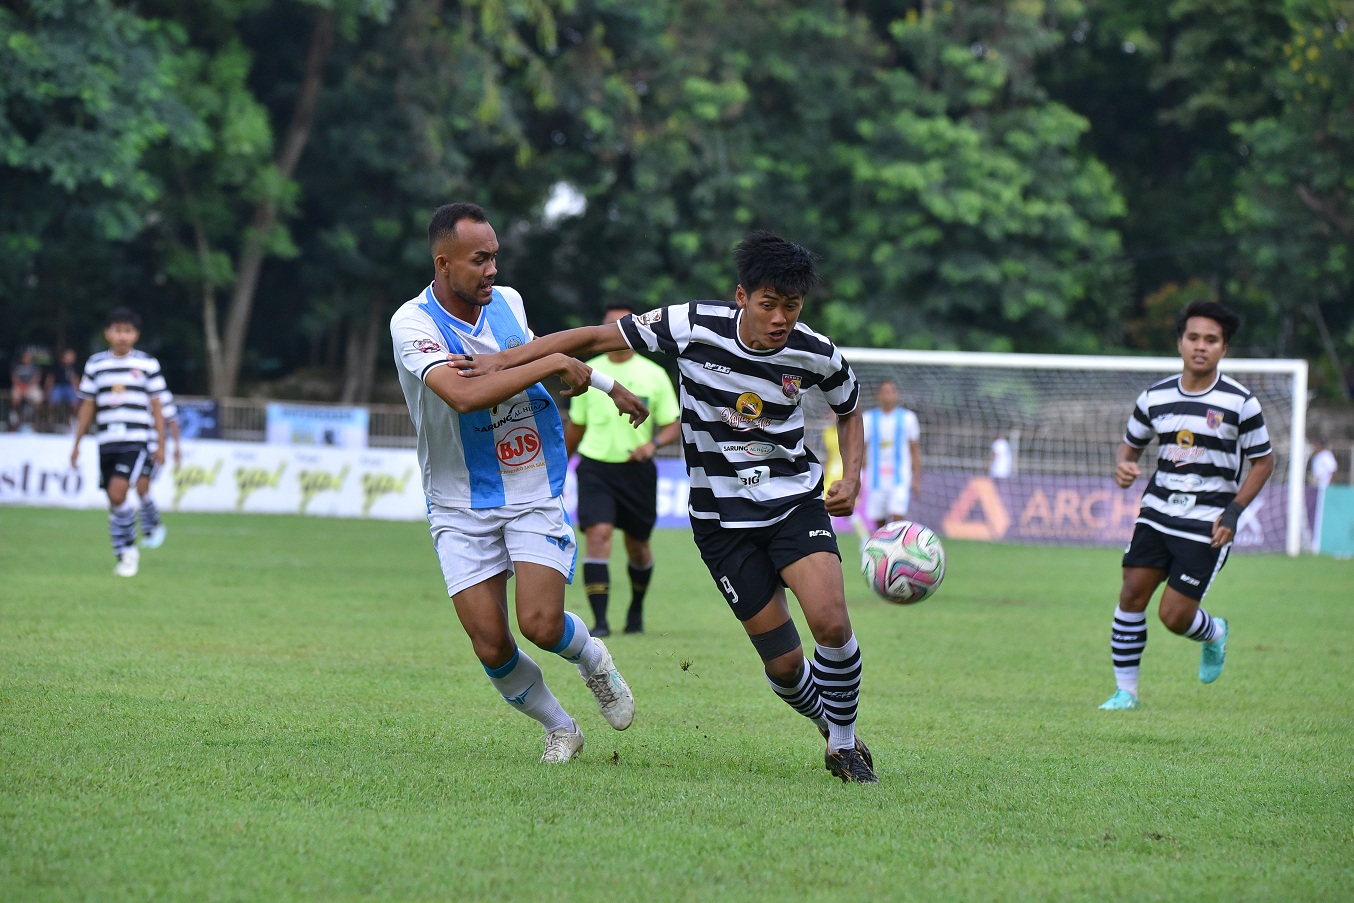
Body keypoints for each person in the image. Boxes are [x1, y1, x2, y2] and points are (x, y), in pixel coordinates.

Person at [455, 230, 879, 783]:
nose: (780, 319)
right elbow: (593, 336)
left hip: (793, 501)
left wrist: (852, 474)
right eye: (768, 304)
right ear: (741, 297)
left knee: (829, 620)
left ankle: (843, 747)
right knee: (784, 664)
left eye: (791, 307)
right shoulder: (692, 325)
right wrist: (504, 362)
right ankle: (828, 723)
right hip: (723, 524)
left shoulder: (815, 351)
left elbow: (850, 409)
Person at [390, 202, 646, 764]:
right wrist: (553, 367)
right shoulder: (412, 324)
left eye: (495, 257)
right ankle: (560, 726)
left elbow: (537, 353)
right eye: (479, 260)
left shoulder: (506, 303)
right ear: (443, 263)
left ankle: (593, 659)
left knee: (539, 622)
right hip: (456, 500)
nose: (492, 270)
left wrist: (604, 383)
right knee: (490, 641)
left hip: (529, 481)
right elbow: (463, 395)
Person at [1099, 299, 1275, 710]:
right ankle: (1126, 692)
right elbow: (1129, 450)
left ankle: (1213, 633)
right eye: (1193, 337)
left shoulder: (1240, 402)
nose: (1201, 346)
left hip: (1207, 522)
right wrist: (1124, 468)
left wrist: (1233, 512)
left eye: (1211, 340)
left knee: (1174, 617)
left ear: (1223, 349)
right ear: (1180, 343)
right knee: (1130, 596)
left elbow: (1264, 462)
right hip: (1157, 514)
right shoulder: (1154, 397)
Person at [568, 303, 682, 637]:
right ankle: (600, 622)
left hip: (638, 471)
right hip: (595, 469)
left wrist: (654, 445)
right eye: (607, 327)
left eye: (620, 327)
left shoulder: (654, 373)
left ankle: (636, 609)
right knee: (598, 537)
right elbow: (577, 425)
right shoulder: (587, 372)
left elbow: (672, 424)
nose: (612, 334)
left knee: (638, 547)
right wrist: (559, 469)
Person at [70, 309, 167, 577]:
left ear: (136, 335)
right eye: (117, 330)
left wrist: (161, 443)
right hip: (107, 440)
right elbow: (88, 406)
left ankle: (129, 551)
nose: (122, 336)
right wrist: (77, 442)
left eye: (128, 331)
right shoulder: (95, 365)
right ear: (107, 333)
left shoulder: (148, 365)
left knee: (117, 492)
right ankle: (124, 551)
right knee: (115, 502)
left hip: (136, 440)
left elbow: (157, 406)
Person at [862, 379, 922, 530]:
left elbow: (915, 450)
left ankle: (897, 550)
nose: (887, 395)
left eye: (891, 391)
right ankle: (883, 549)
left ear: (896, 395)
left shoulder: (908, 418)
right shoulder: (868, 418)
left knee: (897, 518)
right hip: (876, 478)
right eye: (884, 392)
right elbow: (862, 449)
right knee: (879, 523)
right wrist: (859, 475)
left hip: (899, 477)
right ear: (878, 395)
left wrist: (916, 479)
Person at [134, 387, 182, 549]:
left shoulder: (162, 395)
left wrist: (176, 447)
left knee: (142, 487)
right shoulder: (136, 390)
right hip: (138, 445)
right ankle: (149, 530)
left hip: (154, 448)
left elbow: (172, 421)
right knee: (141, 489)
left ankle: (155, 526)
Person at [1309, 437, 1338, 553]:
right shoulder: (1317, 457)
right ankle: (1314, 543)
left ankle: (1319, 544)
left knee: (1321, 516)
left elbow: (1333, 470)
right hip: (1316, 489)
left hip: (1323, 489)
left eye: (1317, 445)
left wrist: (1328, 485)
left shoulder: (1326, 455)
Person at [9, 349, 44, 430]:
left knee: (38, 398)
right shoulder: (16, 366)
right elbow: (14, 378)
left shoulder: (35, 367)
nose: (26, 359)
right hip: (19, 386)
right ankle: (14, 418)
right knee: (15, 398)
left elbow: (36, 379)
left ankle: (35, 419)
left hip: (31, 386)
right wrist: (21, 386)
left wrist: (28, 387)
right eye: (25, 357)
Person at [45, 348, 81, 424]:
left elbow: (76, 379)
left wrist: (77, 389)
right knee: (53, 400)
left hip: (69, 387)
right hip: (57, 386)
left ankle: (72, 419)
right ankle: (51, 418)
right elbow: (50, 378)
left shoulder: (74, 366)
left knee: (75, 401)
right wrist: (48, 389)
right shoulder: (57, 364)